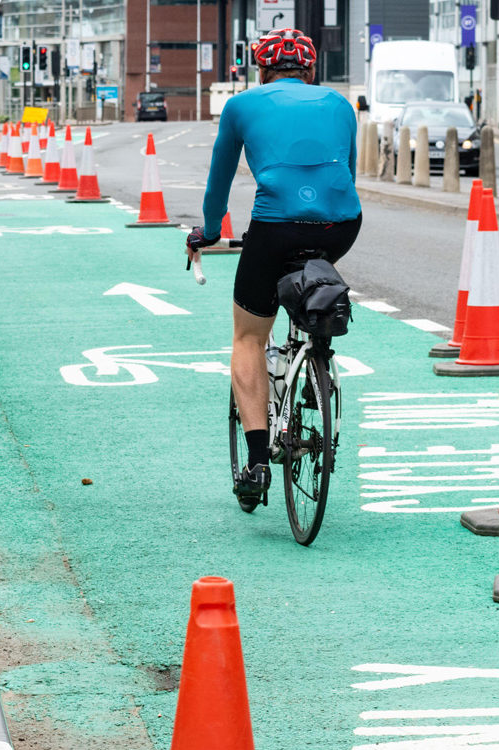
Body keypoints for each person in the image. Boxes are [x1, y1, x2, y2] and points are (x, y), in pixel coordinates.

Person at [185, 28, 362, 511]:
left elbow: (218, 181)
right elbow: (348, 170)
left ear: (261, 71)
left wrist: (209, 232)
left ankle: (259, 460)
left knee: (248, 338)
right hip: (341, 225)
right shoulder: (341, 104)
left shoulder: (242, 105)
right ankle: (315, 347)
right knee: (310, 272)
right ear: (311, 71)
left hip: (275, 226)